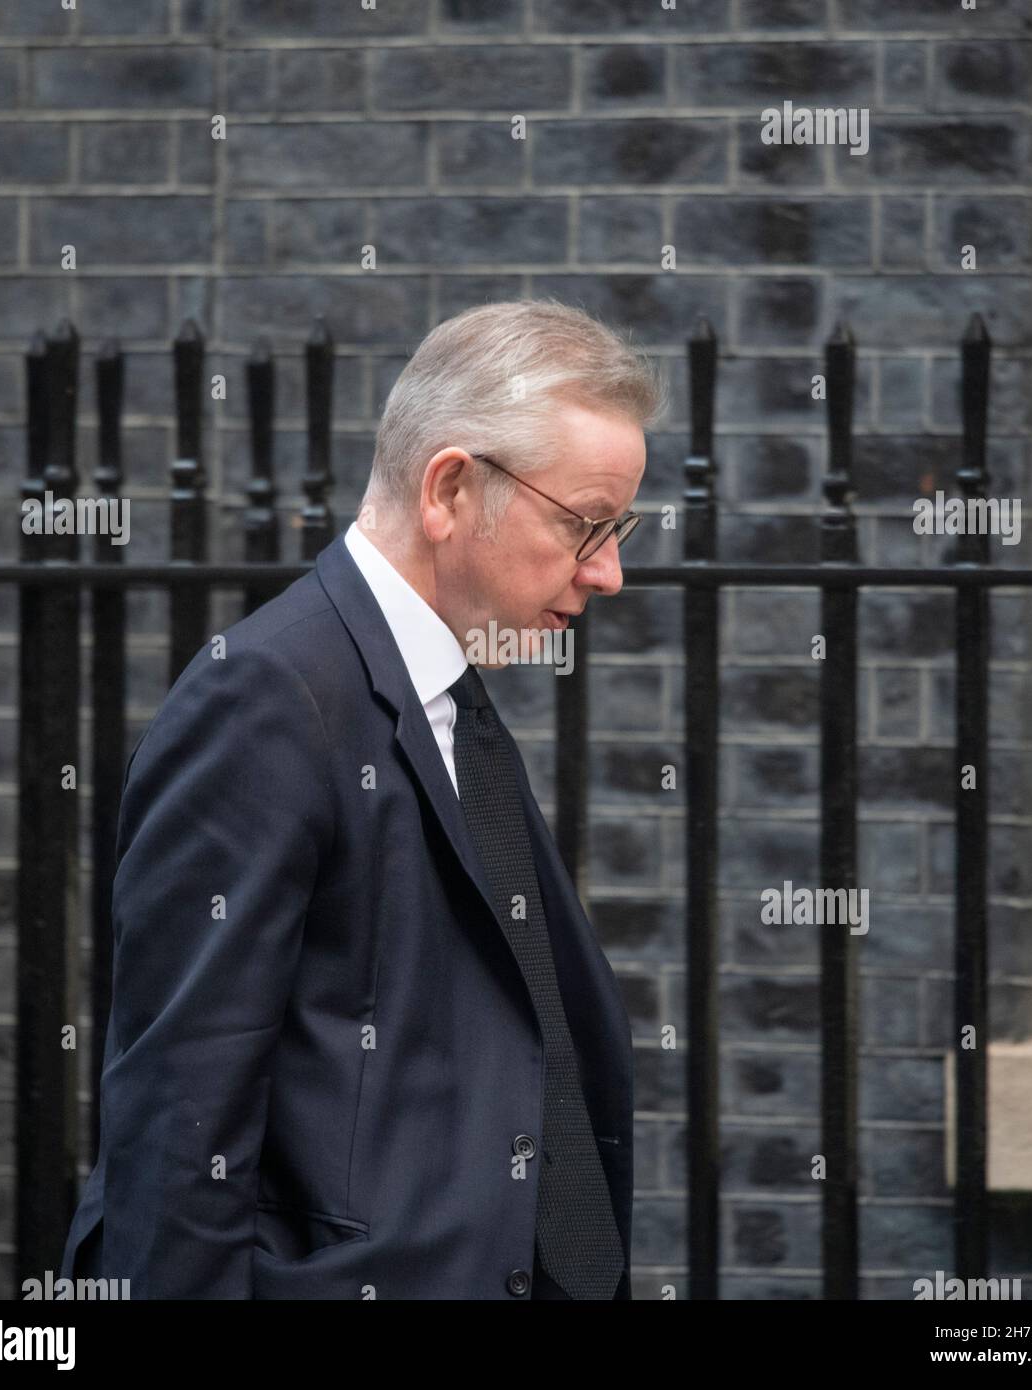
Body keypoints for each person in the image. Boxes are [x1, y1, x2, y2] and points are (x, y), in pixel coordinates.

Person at [59, 298, 667, 1299]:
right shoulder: (262, 697)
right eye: (587, 524)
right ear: (450, 490)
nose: (608, 572)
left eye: (620, 527)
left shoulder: (451, 698)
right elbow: (181, 1114)